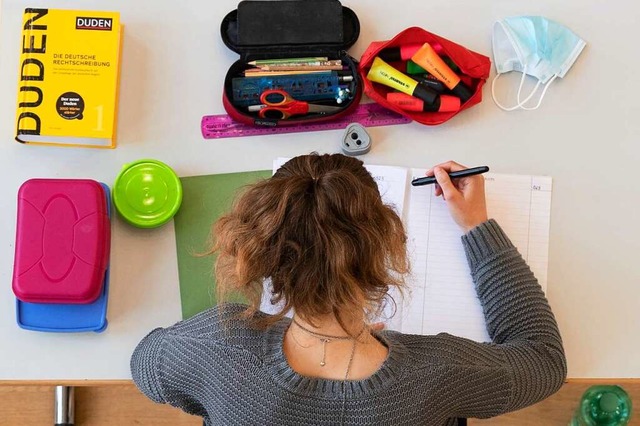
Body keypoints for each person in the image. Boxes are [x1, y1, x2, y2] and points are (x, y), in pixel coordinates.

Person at [131, 153, 567, 426]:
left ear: (259, 254)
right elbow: (543, 361)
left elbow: (146, 362)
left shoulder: (217, 345)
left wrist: (219, 400)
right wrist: (477, 225)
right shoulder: (436, 373)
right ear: (384, 253)